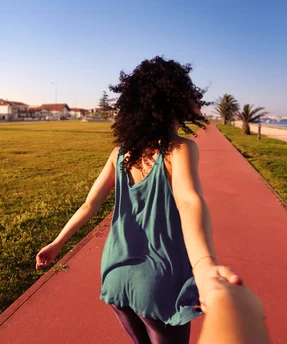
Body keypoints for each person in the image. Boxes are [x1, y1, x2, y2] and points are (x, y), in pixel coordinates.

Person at [36, 56, 242, 344]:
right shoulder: (179, 149)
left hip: (114, 274)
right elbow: (189, 203)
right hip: (159, 281)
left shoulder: (121, 153)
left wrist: (57, 243)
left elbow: (89, 205)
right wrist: (205, 264)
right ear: (175, 99)